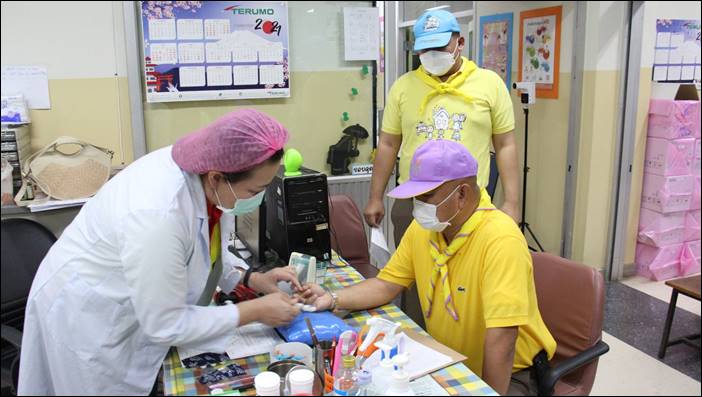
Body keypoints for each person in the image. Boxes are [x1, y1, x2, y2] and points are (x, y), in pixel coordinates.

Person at [18, 109, 304, 395]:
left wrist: (250, 278)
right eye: (256, 189)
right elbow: (165, 323)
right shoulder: (158, 213)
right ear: (217, 177)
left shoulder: (208, 176)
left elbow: (206, 248)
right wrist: (253, 311)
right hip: (89, 316)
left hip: (131, 297)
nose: (258, 198)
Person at [302, 140, 556, 396]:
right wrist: (333, 298)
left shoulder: (500, 239)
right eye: (415, 196)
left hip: (511, 373)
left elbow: (502, 340)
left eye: (426, 196)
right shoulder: (426, 230)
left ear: (462, 194)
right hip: (450, 359)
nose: (418, 206)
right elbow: (386, 284)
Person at [364, 9, 520, 244]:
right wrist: (375, 197)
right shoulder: (403, 87)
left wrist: (512, 202)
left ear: (460, 43)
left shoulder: (490, 84)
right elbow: (387, 144)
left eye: (440, 47)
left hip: (468, 201)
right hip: (415, 200)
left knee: (468, 276)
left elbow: (505, 144)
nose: (432, 54)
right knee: (412, 275)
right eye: (426, 49)